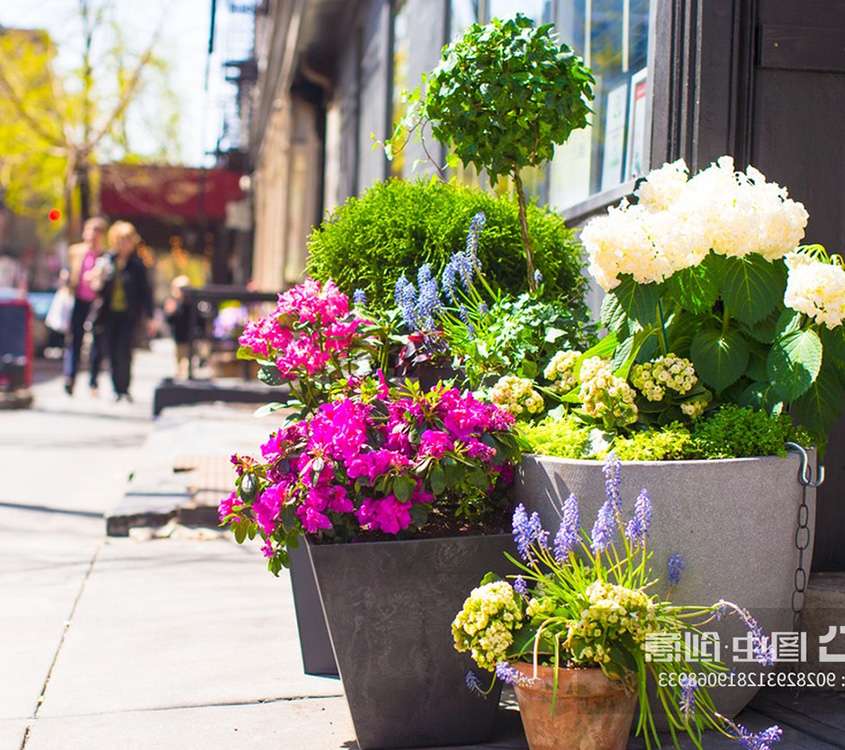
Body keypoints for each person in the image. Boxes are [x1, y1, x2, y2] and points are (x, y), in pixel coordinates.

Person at [99, 221, 155, 402]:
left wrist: (150, 317)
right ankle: (116, 388)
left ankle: (125, 387)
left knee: (125, 350)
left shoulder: (137, 265)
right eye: (119, 240)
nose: (122, 244)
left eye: (126, 240)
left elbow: (146, 292)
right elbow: (98, 289)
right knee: (112, 351)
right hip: (109, 314)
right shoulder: (107, 261)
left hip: (129, 315)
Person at [63, 217, 107, 396]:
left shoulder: (105, 255)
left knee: (97, 341)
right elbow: (69, 271)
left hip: (97, 303)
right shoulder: (75, 252)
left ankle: (93, 381)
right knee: (75, 340)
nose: (92, 238)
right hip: (78, 300)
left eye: (96, 234)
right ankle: (70, 376)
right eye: (89, 233)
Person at [163, 275, 193, 378]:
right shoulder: (174, 303)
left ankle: (185, 375)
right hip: (178, 336)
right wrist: (170, 312)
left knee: (187, 359)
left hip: (189, 336)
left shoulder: (191, 303)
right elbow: (169, 320)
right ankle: (181, 375)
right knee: (179, 357)